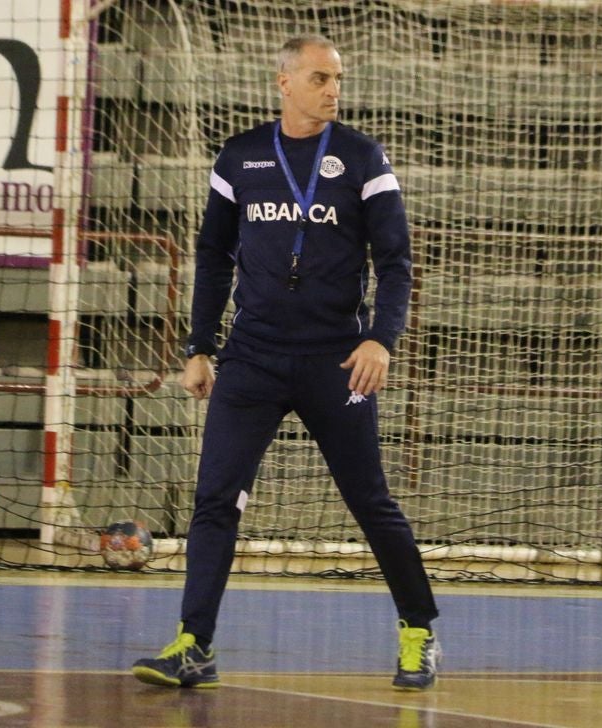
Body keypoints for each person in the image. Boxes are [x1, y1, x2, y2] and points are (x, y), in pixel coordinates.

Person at [131, 34, 441, 692]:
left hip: (338, 362)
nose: (334, 89)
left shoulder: (362, 157)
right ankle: (195, 645)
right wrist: (199, 347)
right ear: (285, 83)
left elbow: (396, 263)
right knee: (216, 500)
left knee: (370, 501)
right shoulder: (240, 157)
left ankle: (418, 629)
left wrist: (381, 339)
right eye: (321, 77)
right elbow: (214, 255)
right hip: (253, 359)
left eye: (338, 79)